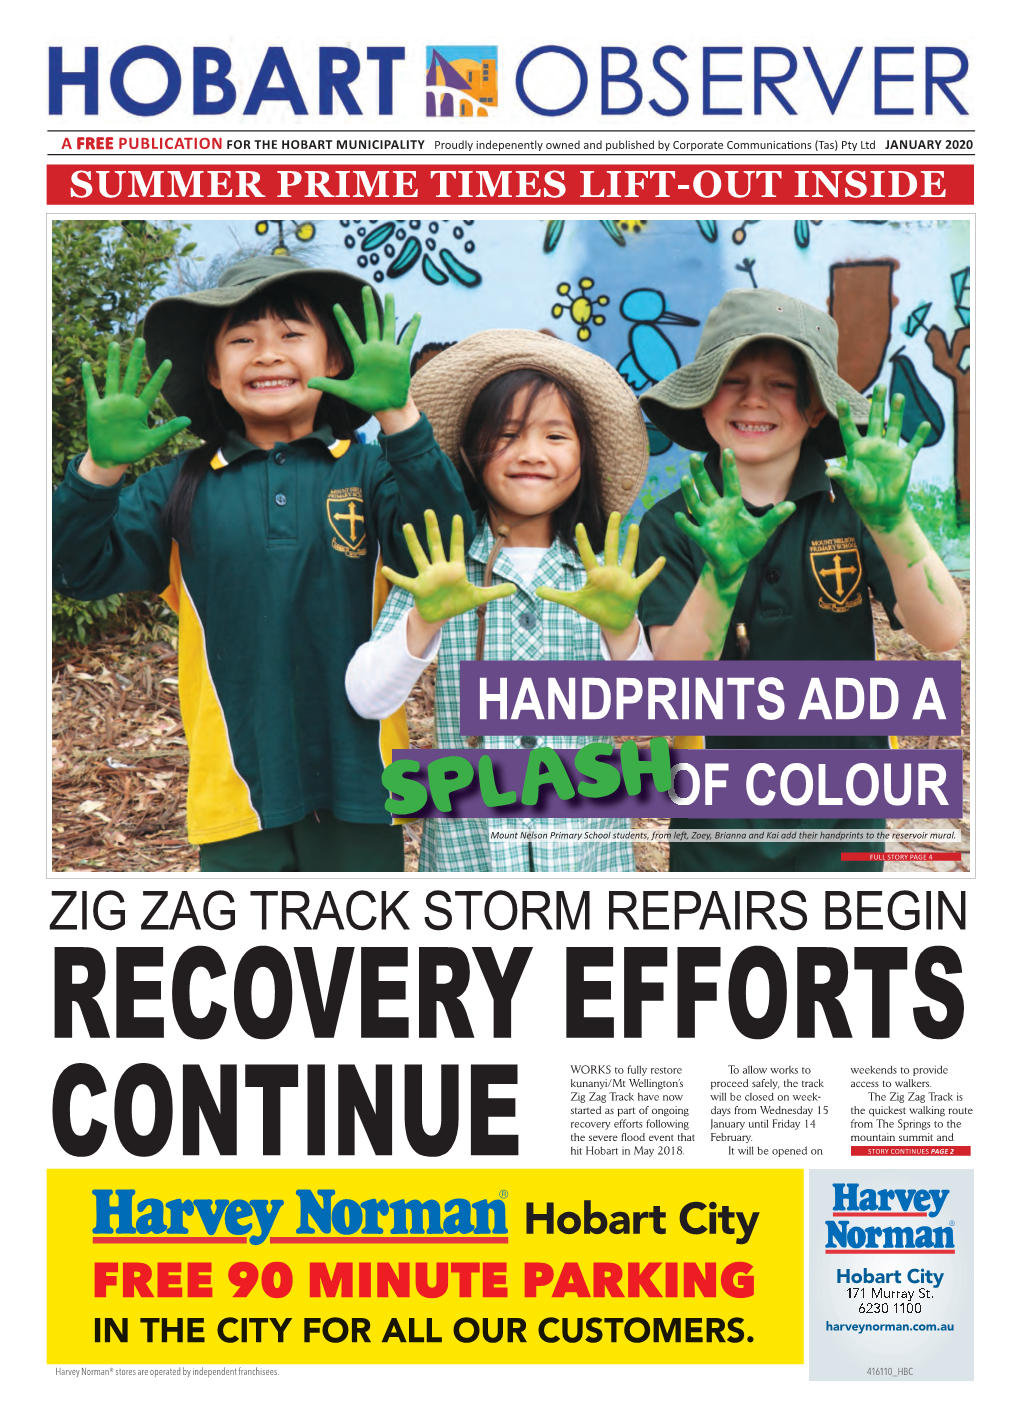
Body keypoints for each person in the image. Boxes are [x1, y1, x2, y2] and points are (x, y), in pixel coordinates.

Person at [52, 253, 473, 872]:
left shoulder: (372, 471)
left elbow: (447, 543)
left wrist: (400, 419)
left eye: (292, 335)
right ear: (215, 374)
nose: (268, 353)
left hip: (363, 787)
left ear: (335, 360)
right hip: (234, 794)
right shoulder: (177, 488)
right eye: (242, 339)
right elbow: (75, 570)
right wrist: (99, 470)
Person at [635, 286, 966, 873]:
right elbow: (673, 687)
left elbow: (943, 631)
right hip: (717, 823)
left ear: (817, 409)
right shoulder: (673, 522)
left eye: (781, 384)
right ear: (705, 398)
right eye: (732, 379)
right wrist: (722, 574)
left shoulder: (855, 505)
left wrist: (894, 521)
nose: (753, 400)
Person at [346, 329, 665, 873]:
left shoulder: (605, 573)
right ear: (469, 454)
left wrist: (623, 632)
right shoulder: (440, 567)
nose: (531, 455)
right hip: (469, 867)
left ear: (585, 455)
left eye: (556, 436)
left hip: (587, 868)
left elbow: (653, 723)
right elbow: (368, 699)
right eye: (507, 434)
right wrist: (425, 618)